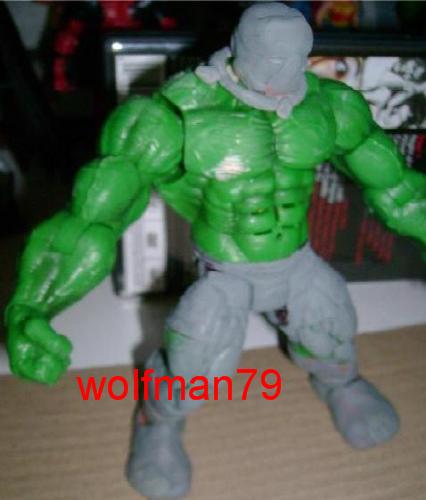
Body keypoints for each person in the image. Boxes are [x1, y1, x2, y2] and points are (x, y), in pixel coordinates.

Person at [6, 3, 425, 498]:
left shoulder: (328, 106)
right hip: (226, 272)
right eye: (272, 60)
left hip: (296, 260)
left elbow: (397, 189)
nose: (284, 74)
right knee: (193, 364)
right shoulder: (178, 114)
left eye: (296, 58)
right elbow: (92, 217)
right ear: (239, 48)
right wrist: (34, 305)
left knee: (332, 327)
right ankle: (156, 422)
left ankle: (340, 385)